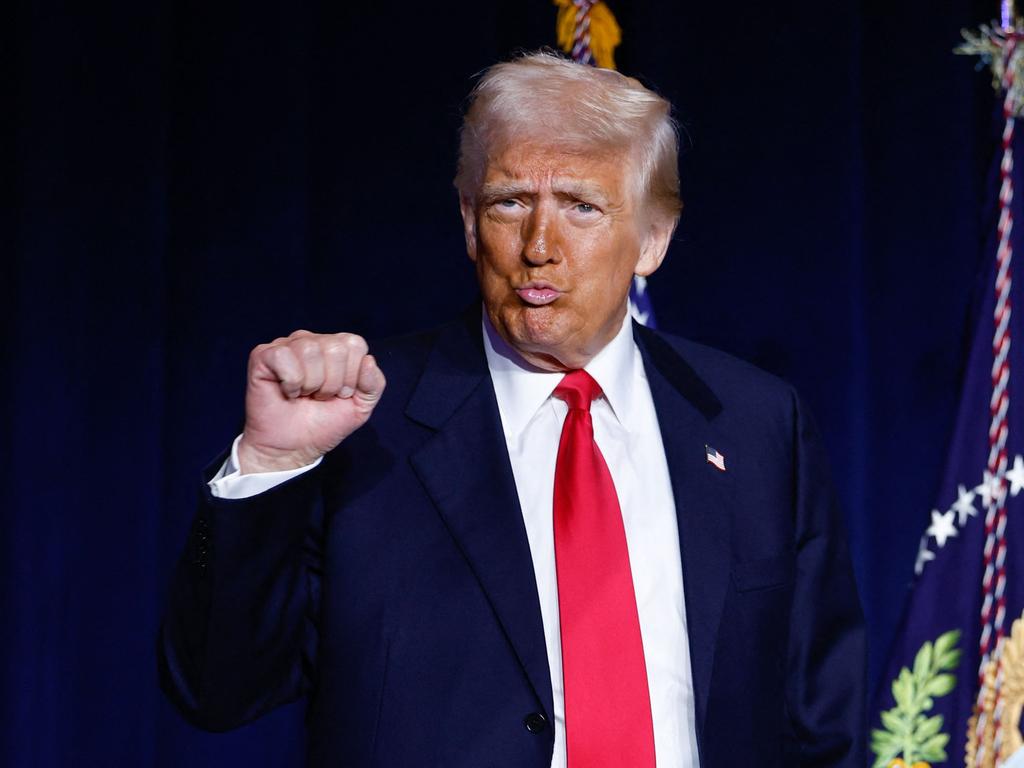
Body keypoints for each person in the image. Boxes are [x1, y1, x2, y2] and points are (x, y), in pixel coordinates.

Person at [159, 51, 865, 767]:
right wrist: (273, 462)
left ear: (653, 237)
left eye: (582, 207)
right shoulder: (361, 421)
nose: (539, 247)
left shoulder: (756, 423)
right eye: (509, 203)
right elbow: (217, 692)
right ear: (469, 221)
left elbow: (816, 722)